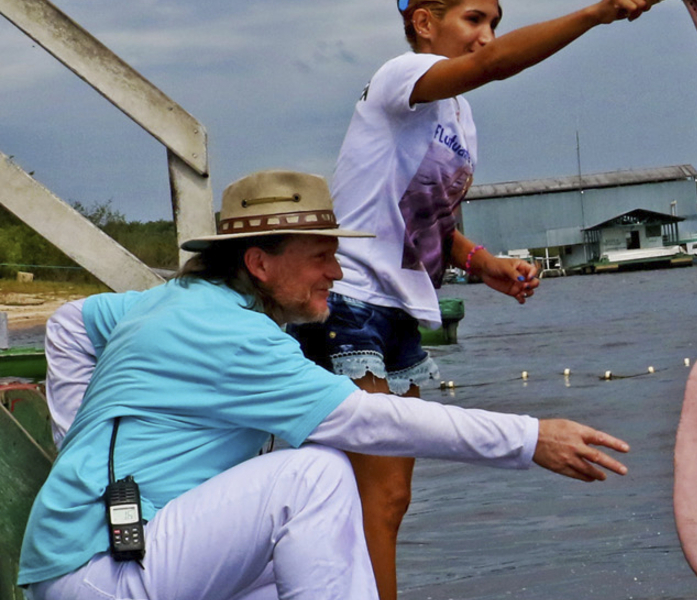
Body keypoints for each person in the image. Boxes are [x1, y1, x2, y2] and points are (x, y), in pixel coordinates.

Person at [18, 170, 630, 600]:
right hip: (102, 570)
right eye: (320, 257)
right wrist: (529, 438)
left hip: (107, 554)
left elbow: (71, 323)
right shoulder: (237, 336)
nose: (337, 272)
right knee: (317, 474)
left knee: (323, 552)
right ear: (259, 263)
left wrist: (78, 452)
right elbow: (371, 419)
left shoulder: (170, 300)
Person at [290, 0, 658, 596]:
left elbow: (428, 218)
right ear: (424, 22)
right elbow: (495, 66)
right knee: (377, 492)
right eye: (473, 19)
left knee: (391, 498)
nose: (487, 36)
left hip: (399, 312)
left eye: (494, 24)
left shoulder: (459, 118)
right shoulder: (401, 78)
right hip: (350, 301)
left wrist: (483, 263)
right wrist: (598, 13)